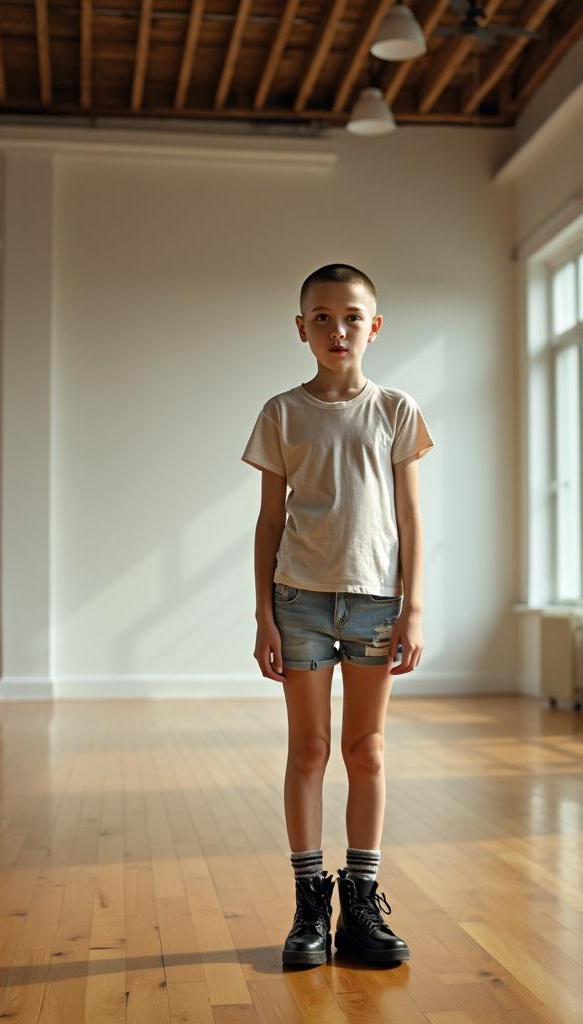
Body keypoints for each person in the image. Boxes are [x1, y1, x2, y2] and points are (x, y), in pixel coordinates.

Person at [240, 263, 435, 969]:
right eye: (321, 317)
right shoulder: (281, 413)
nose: (337, 329)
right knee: (310, 751)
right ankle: (307, 907)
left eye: (351, 316)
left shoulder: (396, 410)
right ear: (301, 329)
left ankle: (362, 902)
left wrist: (415, 608)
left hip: (376, 602)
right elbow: (267, 524)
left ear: (373, 326)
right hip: (300, 602)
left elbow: (410, 517)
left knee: (367, 749)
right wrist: (263, 616)